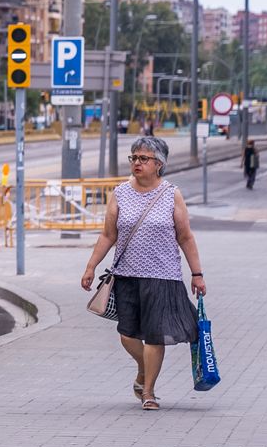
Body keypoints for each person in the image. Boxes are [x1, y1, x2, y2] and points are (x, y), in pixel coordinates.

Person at [81, 135, 205, 411]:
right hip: (126, 275)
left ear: (159, 164)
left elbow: (185, 237)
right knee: (127, 334)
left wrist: (197, 273)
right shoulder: (120, 192)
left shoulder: (172, 194)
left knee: (154, 335)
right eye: (134, 158)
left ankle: (148, 391)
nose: (137, 163)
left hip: (163, 277)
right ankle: (143, 367)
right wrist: (90, 266)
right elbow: (107, 235)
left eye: (143, 158)